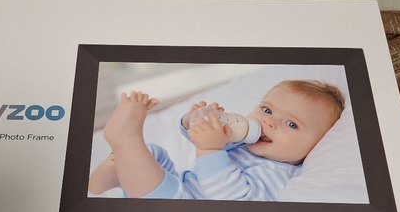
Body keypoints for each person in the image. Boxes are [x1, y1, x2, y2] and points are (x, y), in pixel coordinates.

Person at [88, 80, 345, 201]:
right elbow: (195, 137)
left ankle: (126, 140)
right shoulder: (244, 143)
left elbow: (234, 200)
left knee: (157, 179)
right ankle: (116, 175)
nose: (269, 123)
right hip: (183, 186)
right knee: (153, 154)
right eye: (267, 110)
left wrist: (210, 148)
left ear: (316, 145)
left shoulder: (279, 174)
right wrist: (195, 121)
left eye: (291, 124)